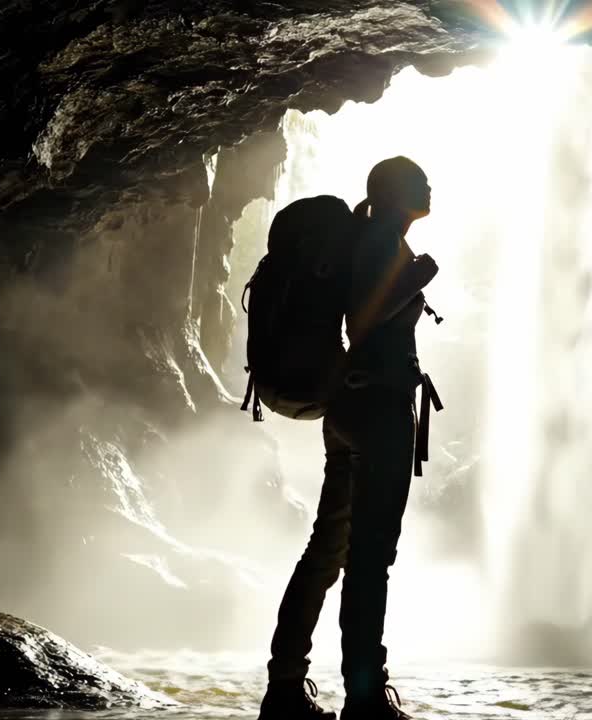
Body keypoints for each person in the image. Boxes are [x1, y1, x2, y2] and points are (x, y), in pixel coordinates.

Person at [258, 156, 439, 720]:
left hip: (349, 407)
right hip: (379, 408)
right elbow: (363, 320)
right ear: (392, 193)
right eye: (418, 180)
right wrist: (418, 275)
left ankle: (285, 685)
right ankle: (364, 697)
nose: (429, 185)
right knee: (368, 559)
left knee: (328, 549)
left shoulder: (369, 237)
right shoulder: (384, 242)